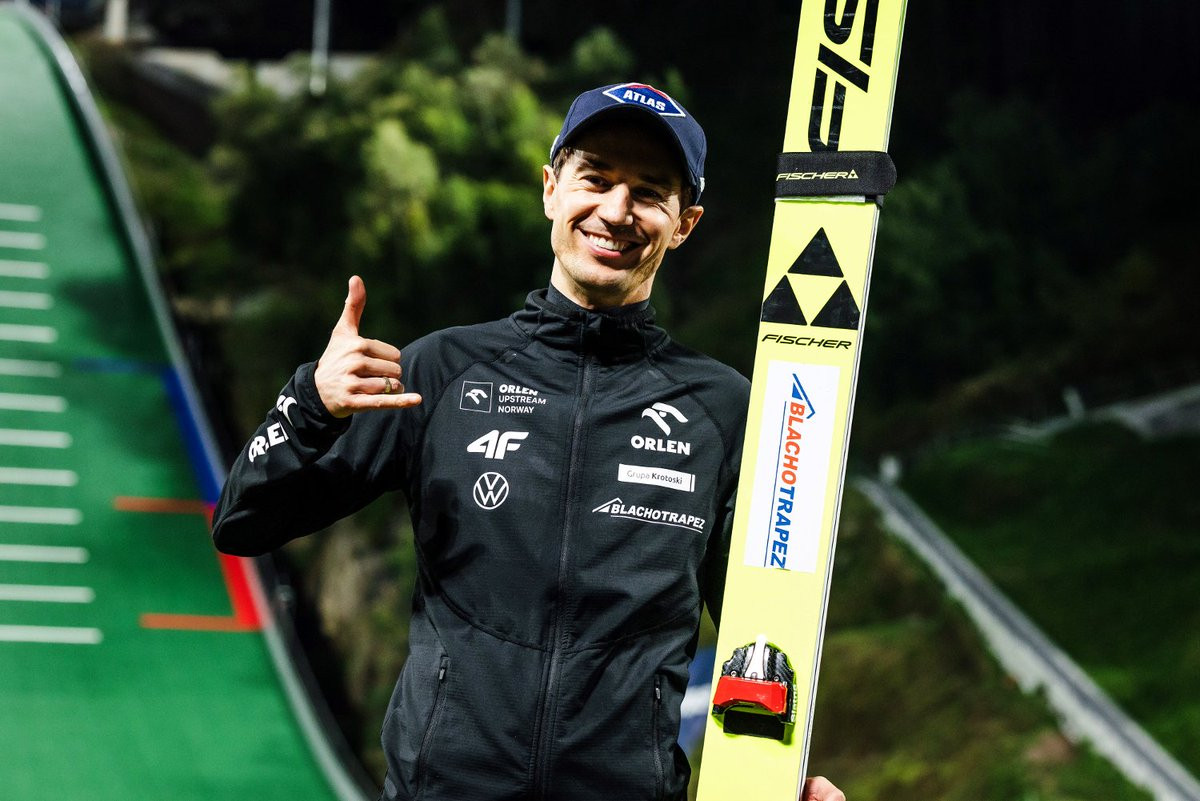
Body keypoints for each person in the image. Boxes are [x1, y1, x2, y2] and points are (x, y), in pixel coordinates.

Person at [213, 82, 844, 801]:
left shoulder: (723, 409)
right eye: (596, 179)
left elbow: (764, 637)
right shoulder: (441, 371)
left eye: (648, 193)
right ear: (551, 189)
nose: (616, 211)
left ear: (684, 224)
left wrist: (783, 778)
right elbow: (242, 521)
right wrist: (309, 404)